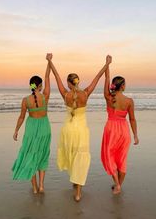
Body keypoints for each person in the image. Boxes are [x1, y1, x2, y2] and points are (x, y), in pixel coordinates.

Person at [46, 53, 111, 202]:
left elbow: (55, 76)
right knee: (80, 158)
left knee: (72, 155)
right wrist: (107, 64)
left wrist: (50, 61)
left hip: (68, 130)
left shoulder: (65, 94)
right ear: (77, 82)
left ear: (69, 83)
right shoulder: (85, 93)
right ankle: (78, 193)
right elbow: (98, 77)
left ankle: (74, 182)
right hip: (81, 131)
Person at [12, 57, 52, 194]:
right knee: (42, 155)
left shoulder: (25, 100)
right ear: (40, 86)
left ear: (31, 86)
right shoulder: (45, 96)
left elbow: (22, 117)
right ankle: (41, 185)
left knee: (30, 155)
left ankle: (34, 188)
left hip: (31, 129)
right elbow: (47, 76)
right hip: (44, 128)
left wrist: (16, 130)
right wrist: (49, 62)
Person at [101, 55, 139, 194]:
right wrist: (135, 135)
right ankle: (118, 185)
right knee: (122, 159)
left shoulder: (108, 97)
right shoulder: (129, 101)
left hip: (111, 130)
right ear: (122, 86)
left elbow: (105, 79)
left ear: (113, 85)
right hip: (123, 131)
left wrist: (107, 64)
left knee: (110, 156)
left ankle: (117, 184)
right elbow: (132, 120)